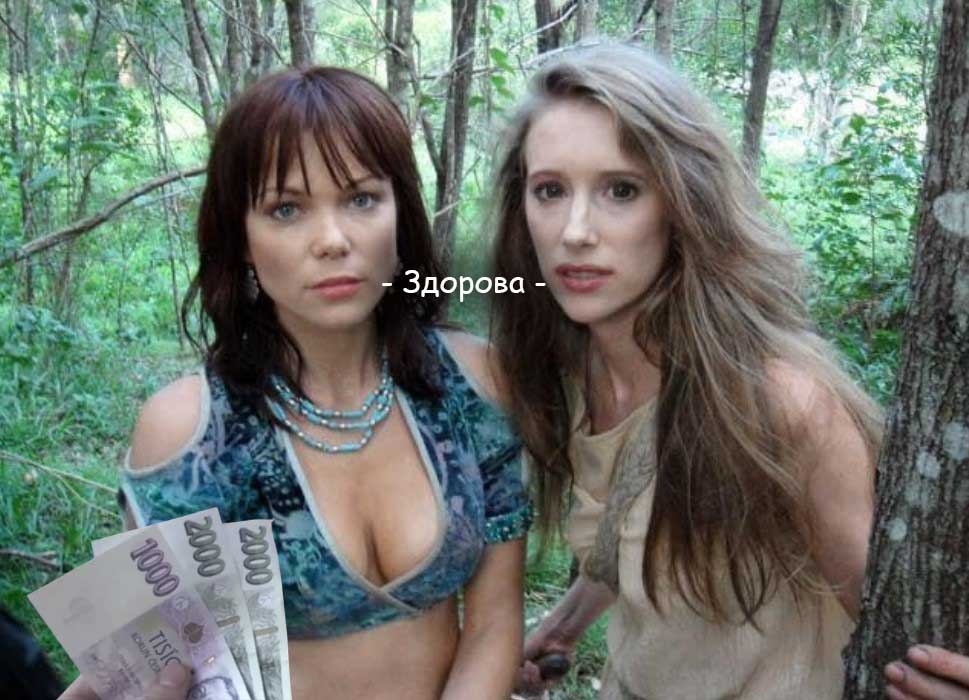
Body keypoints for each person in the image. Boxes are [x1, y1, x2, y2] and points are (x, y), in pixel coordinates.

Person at [489, 42, 969, 700]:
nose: (575, 231)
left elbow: (896, 620)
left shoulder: (780, 404)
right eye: (550, 190)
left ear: (683, 203)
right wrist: (564, 625)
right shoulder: (572, 374)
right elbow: (638, 526)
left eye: (621, 190)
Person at [77, 65, 531, 700]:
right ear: (241, 238)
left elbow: (494, 621)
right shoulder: (186, 432)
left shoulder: (473, 384)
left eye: (361, 199)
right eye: (286, 209)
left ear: (400, 212)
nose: (332, 240)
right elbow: (140, 667)